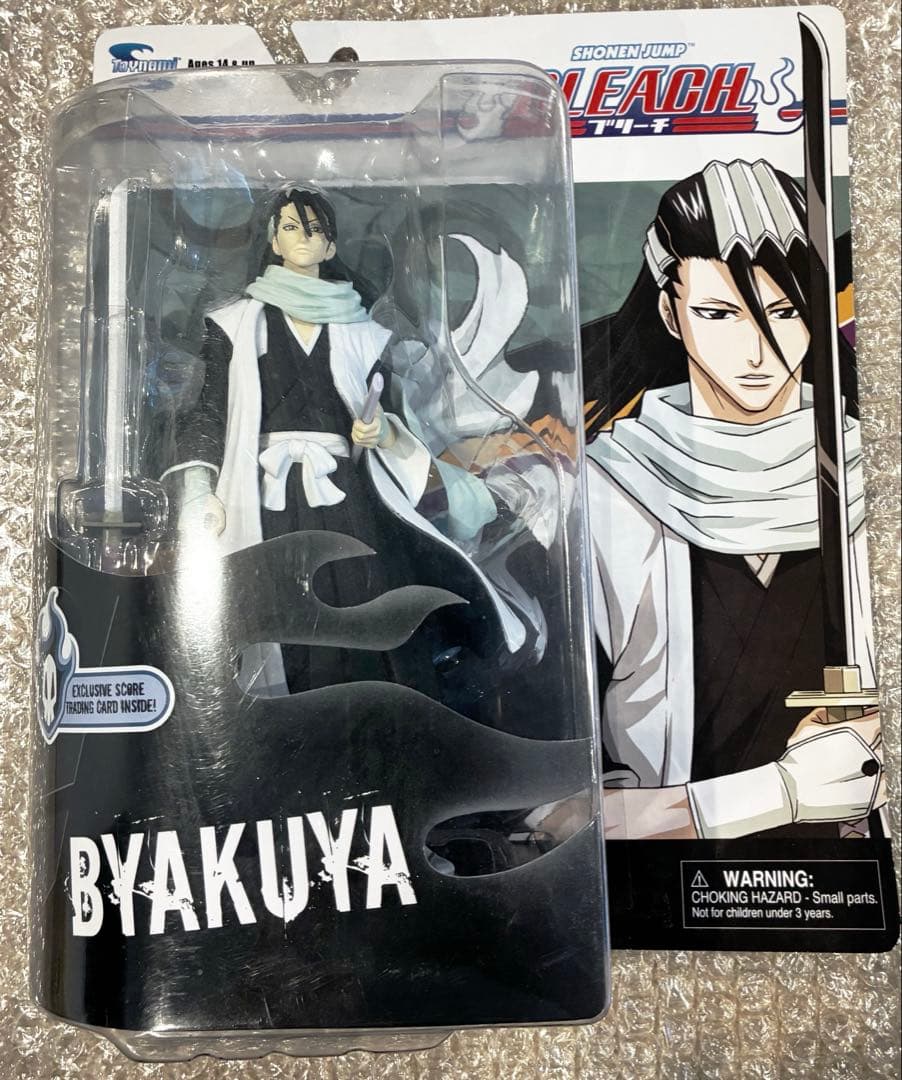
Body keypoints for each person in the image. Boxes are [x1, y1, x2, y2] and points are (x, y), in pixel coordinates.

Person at [581, 159, 884, 840]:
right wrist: (777, 794)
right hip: (666, 884)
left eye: (784, 311)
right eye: (719, 313)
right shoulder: (606, 493)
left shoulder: (875, 479)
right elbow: (546, 814)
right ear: (670, 312)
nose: (758, 350)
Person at [163, 187, 529, 699]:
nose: (303, 238)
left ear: (331, 246)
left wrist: (382, 432)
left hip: (346, 492)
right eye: (291, 227)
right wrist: (199, 490)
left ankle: (367, 702)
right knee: (267, 600)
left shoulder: (363, 332)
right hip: (261, 493)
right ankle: (278, 707)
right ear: (273, 240)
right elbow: (206, 414)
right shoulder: (235, 324)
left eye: (314, 229)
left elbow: (391, 413)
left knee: (362, 591)